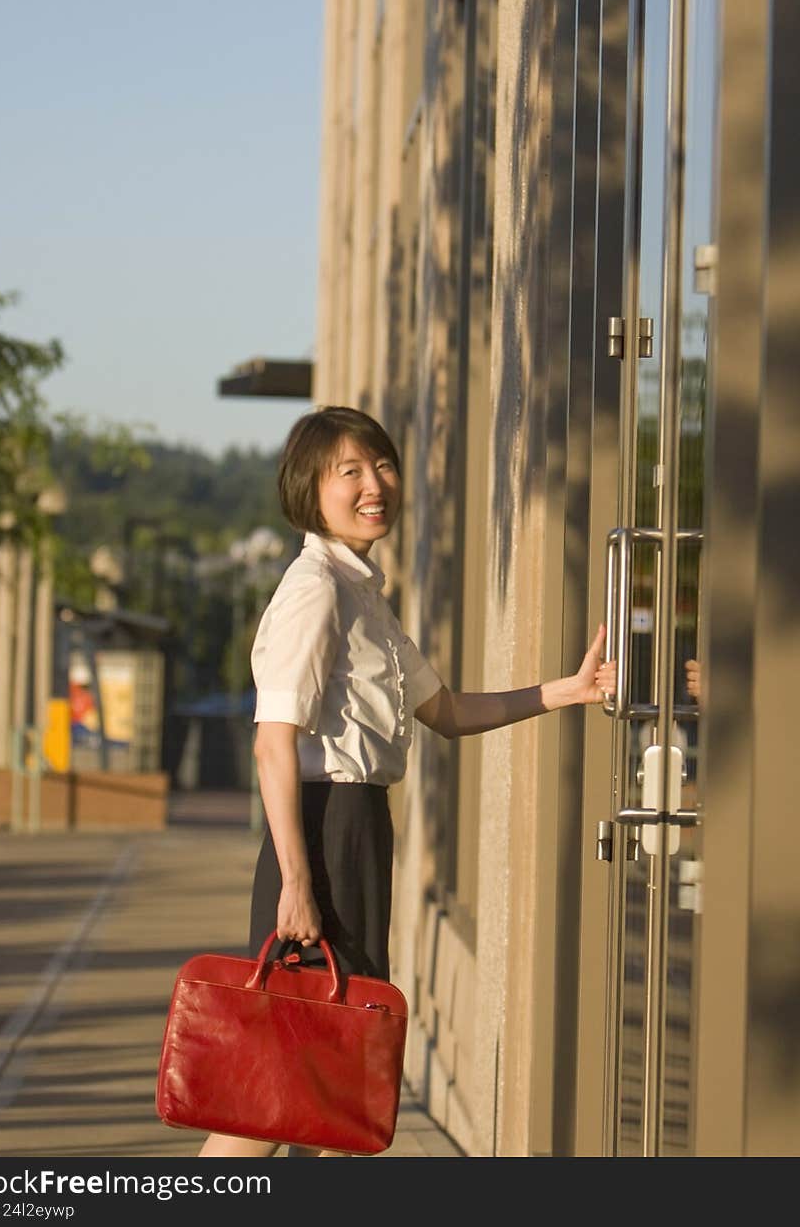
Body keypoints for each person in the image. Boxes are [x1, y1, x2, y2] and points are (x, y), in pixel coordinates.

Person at [199, 405, 616, 1158]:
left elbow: (447, 711)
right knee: (277, 1087)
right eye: (349, 472)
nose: (374, 485)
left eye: (382, 465)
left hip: (356, 831)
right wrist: (297, 880)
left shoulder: (364, 597)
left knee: (333, 1081)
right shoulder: (315, 590)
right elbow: (272, 745)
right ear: (310, 488)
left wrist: (567, 691)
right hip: (322, 835)